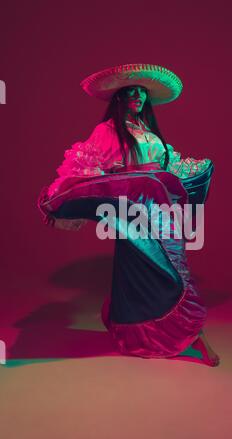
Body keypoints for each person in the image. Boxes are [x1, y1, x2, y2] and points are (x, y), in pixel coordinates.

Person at [37, 63, 220, 366]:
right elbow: (90, 167)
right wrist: (73, 191)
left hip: (162, 208)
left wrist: (196, 169)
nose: (137, 96)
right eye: (130, 91)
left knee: (175, 269)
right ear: (118, 97)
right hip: (132, 212)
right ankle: (164, 335)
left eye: (142, 92)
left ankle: (188, 332)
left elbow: (168, 165)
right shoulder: (107, 131)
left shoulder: (147, 131)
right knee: (144, 274)